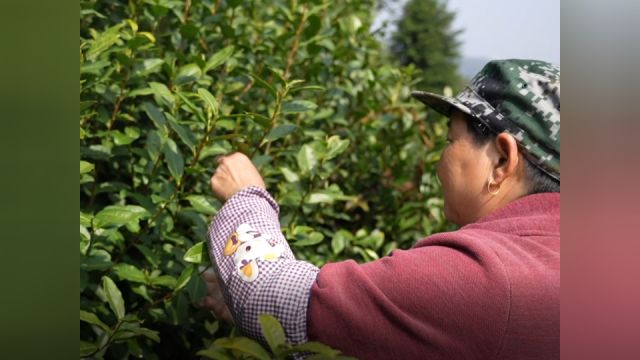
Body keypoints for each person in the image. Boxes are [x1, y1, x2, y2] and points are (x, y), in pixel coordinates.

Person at [200, 59, 560, 359]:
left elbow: (268, 291)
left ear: (501, 159)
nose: (439, 161)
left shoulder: (480, 277)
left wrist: (246, 196)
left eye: (451, 140)